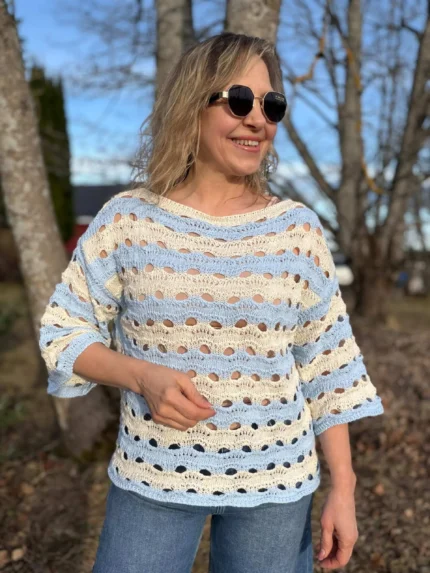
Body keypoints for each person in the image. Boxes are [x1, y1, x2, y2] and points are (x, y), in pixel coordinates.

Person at [39, 32, 384, 573]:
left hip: (276, 483)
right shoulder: (129, 220)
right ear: (191, 106)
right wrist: (140, 376)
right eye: (239, 101)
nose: (257, 120)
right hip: (153, 472)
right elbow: (64, 331)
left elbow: (327, 365)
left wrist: (344, 487)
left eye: (271, 105)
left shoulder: (296, 231)